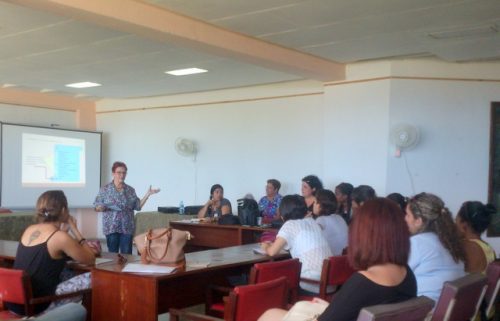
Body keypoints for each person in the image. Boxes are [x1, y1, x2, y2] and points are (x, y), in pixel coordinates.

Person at [258, 198, 416, 321]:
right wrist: (332, 307)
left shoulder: (361, 283)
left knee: (271, 314)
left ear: (363, 236)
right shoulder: (407, 275)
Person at [5, 191, 96, 316]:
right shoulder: (60, 237)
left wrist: (63, 232)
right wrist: (75, 229)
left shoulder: (29, 229)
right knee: (95, 278)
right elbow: (90, 259)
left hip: (15, 303)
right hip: (38, 305)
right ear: (64, 210)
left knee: (68, 272)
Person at [260, 194, 332, 294]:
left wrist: (266, 246)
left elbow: (272, 252)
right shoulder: (312, 222)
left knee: (274, 280)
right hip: (331, 283)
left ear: (283, 213)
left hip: (313, 284)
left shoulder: (290, 224)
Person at [405, 192, 465, 304]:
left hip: (426, 310)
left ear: (419, 221)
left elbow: (396, 276)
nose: (405, 219)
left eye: (408, 215)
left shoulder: (417, 243)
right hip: (447, 309)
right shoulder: (450, 242)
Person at [94, 161, 160, 254]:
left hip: (127, 228)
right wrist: (100, 208)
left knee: (127, 256)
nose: (122, 175)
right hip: (111, 227)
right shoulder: (105, 189)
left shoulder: (130, 190)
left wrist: (148, 194)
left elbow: (138, 206)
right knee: (113, 256)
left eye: (124, 172)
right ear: (113, 173)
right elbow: (96, 206)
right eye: (119, 172)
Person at [455, 201, 496, 273]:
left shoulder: (469, 247)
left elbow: (468, 282)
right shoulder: (487, 247)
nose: (454, 226)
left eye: (456, 221)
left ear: (464, 224)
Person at [312, 189, 348, 256]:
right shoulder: (339, 218)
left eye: (314, 202)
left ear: (320, 205)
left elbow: (311, 236)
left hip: (331, 260)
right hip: (344, 259)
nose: (313, 205)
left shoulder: (321, 220)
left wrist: (306, 221)